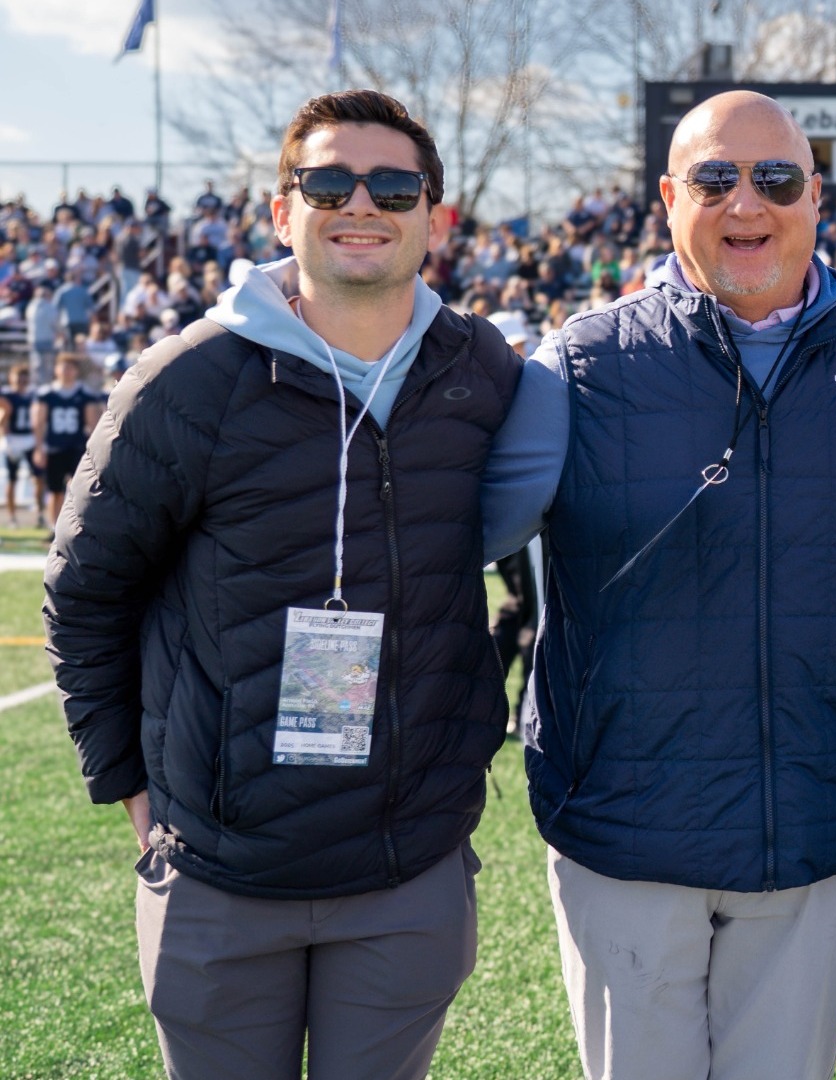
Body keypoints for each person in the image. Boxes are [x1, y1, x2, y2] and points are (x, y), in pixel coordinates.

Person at [43, 89, 521, 1080]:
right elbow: (86, 587)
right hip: (219, 872)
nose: (363, 203)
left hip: (407, 868)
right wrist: (131, 792)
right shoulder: (189, 378)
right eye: (329, 181)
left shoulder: (482, 372)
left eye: (395, 186)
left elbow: (547, 561)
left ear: (433, 215)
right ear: (280, 210)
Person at [479, 90, 836, 1080]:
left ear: (816, 196)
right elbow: (459, 545)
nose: (750, 203)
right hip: (626, 829)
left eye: (776, 179)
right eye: (717, 179)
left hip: (814, 825)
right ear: (667, 198)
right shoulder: (578, 365)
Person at [31, 354, 103, 531]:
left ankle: (78, 527)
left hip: (77, 447)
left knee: (79, 489)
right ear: (56, 369)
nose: (66, 371)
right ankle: (53, 529)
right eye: (63, 367)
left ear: (76, 371)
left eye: (70, 367)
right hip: (54, 447)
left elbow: (93, 425)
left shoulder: (85, 394)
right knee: (55, 490)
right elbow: (39, 423)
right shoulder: (46, 394)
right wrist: (39, 448)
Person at [1, 364, 39, 525]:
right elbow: (3, 417)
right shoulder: (6, 395)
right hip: (13, 439)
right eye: (18, 378)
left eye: (24, 378)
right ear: (11, 379)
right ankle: (12, 517)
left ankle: (39, 514)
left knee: (38, 478)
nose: (21, 382)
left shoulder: (34, 395)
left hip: (30, 438)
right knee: (12, 479)